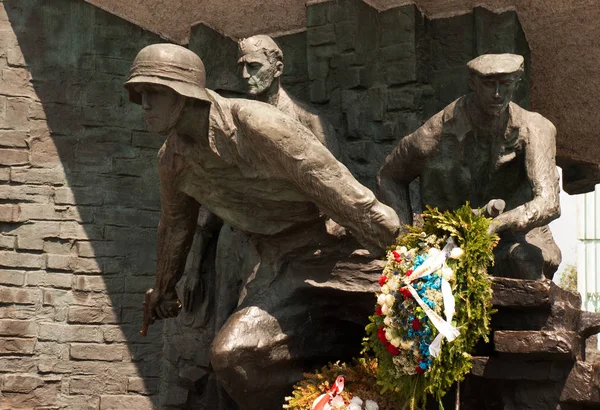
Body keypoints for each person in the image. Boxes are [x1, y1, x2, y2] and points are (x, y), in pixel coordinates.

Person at [124, 43, 400, 409]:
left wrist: (402, 253)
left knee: (415, 329)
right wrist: (162, 289)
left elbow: (335, 186)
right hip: (280, 265)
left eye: (154, 92)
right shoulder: (172, 162)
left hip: (343, 252)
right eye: (140, 93)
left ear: (185, 94)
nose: (144, 104)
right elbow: (175, 227)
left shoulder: (256, 123)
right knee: (233, 355)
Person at [378, 53, 561, 280]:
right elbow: (390, 176)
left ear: (516, 84)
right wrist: (406, 243)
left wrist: (496, 224)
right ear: (472, 83)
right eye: (488, 84)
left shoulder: (536, 128)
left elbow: (549, 202)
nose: (497, 94)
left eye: (505, 84)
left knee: (528, 262)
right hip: (450, 242)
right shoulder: (437, 130)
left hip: (516, 237)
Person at [237, 34, 340, 157]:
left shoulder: (311, 122)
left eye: (253, 66)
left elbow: (333, 173)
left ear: (278, 69)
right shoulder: (240, 116)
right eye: (241, 66)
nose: (245, 75)